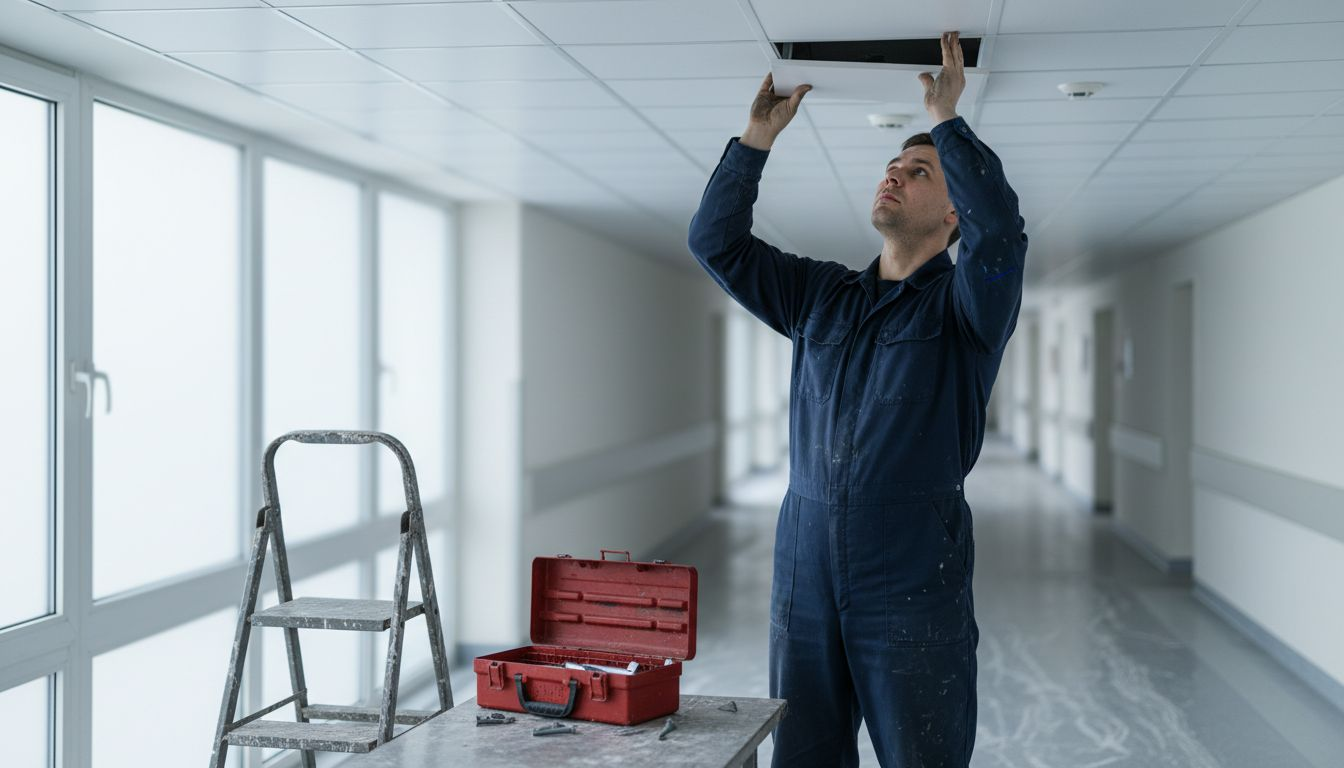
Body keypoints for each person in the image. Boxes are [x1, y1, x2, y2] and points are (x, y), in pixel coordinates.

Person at [687, 31, 1027, 768]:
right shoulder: (821, 296)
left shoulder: (966, 313)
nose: (895, 175)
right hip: (804, 569)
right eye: (892, 165)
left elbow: (1002, 231)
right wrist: (753, 143)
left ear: (952, 215)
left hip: (910, 579)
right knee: (804, 758)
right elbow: (715, 242)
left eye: (919, 170)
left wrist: (946, 122)